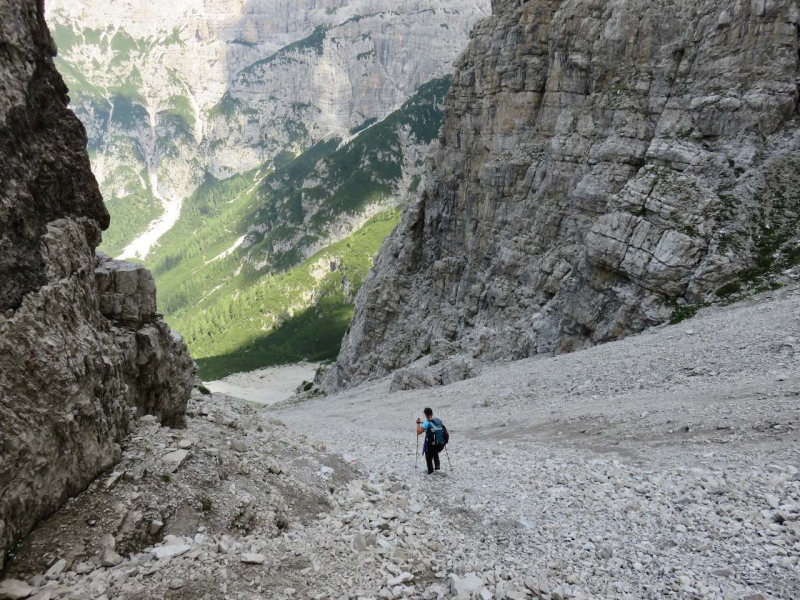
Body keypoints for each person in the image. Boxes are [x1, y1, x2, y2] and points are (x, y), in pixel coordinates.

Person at [416, 407, 447, 474]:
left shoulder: (426, 423)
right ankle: (437, 467)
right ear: (431, 413)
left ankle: (430, 471)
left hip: (430, 444)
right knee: (435, 452)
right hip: (439, 444)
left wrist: (418, 424)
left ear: (426, 414)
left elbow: (418, 432)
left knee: (428, 457)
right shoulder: (438, 421)